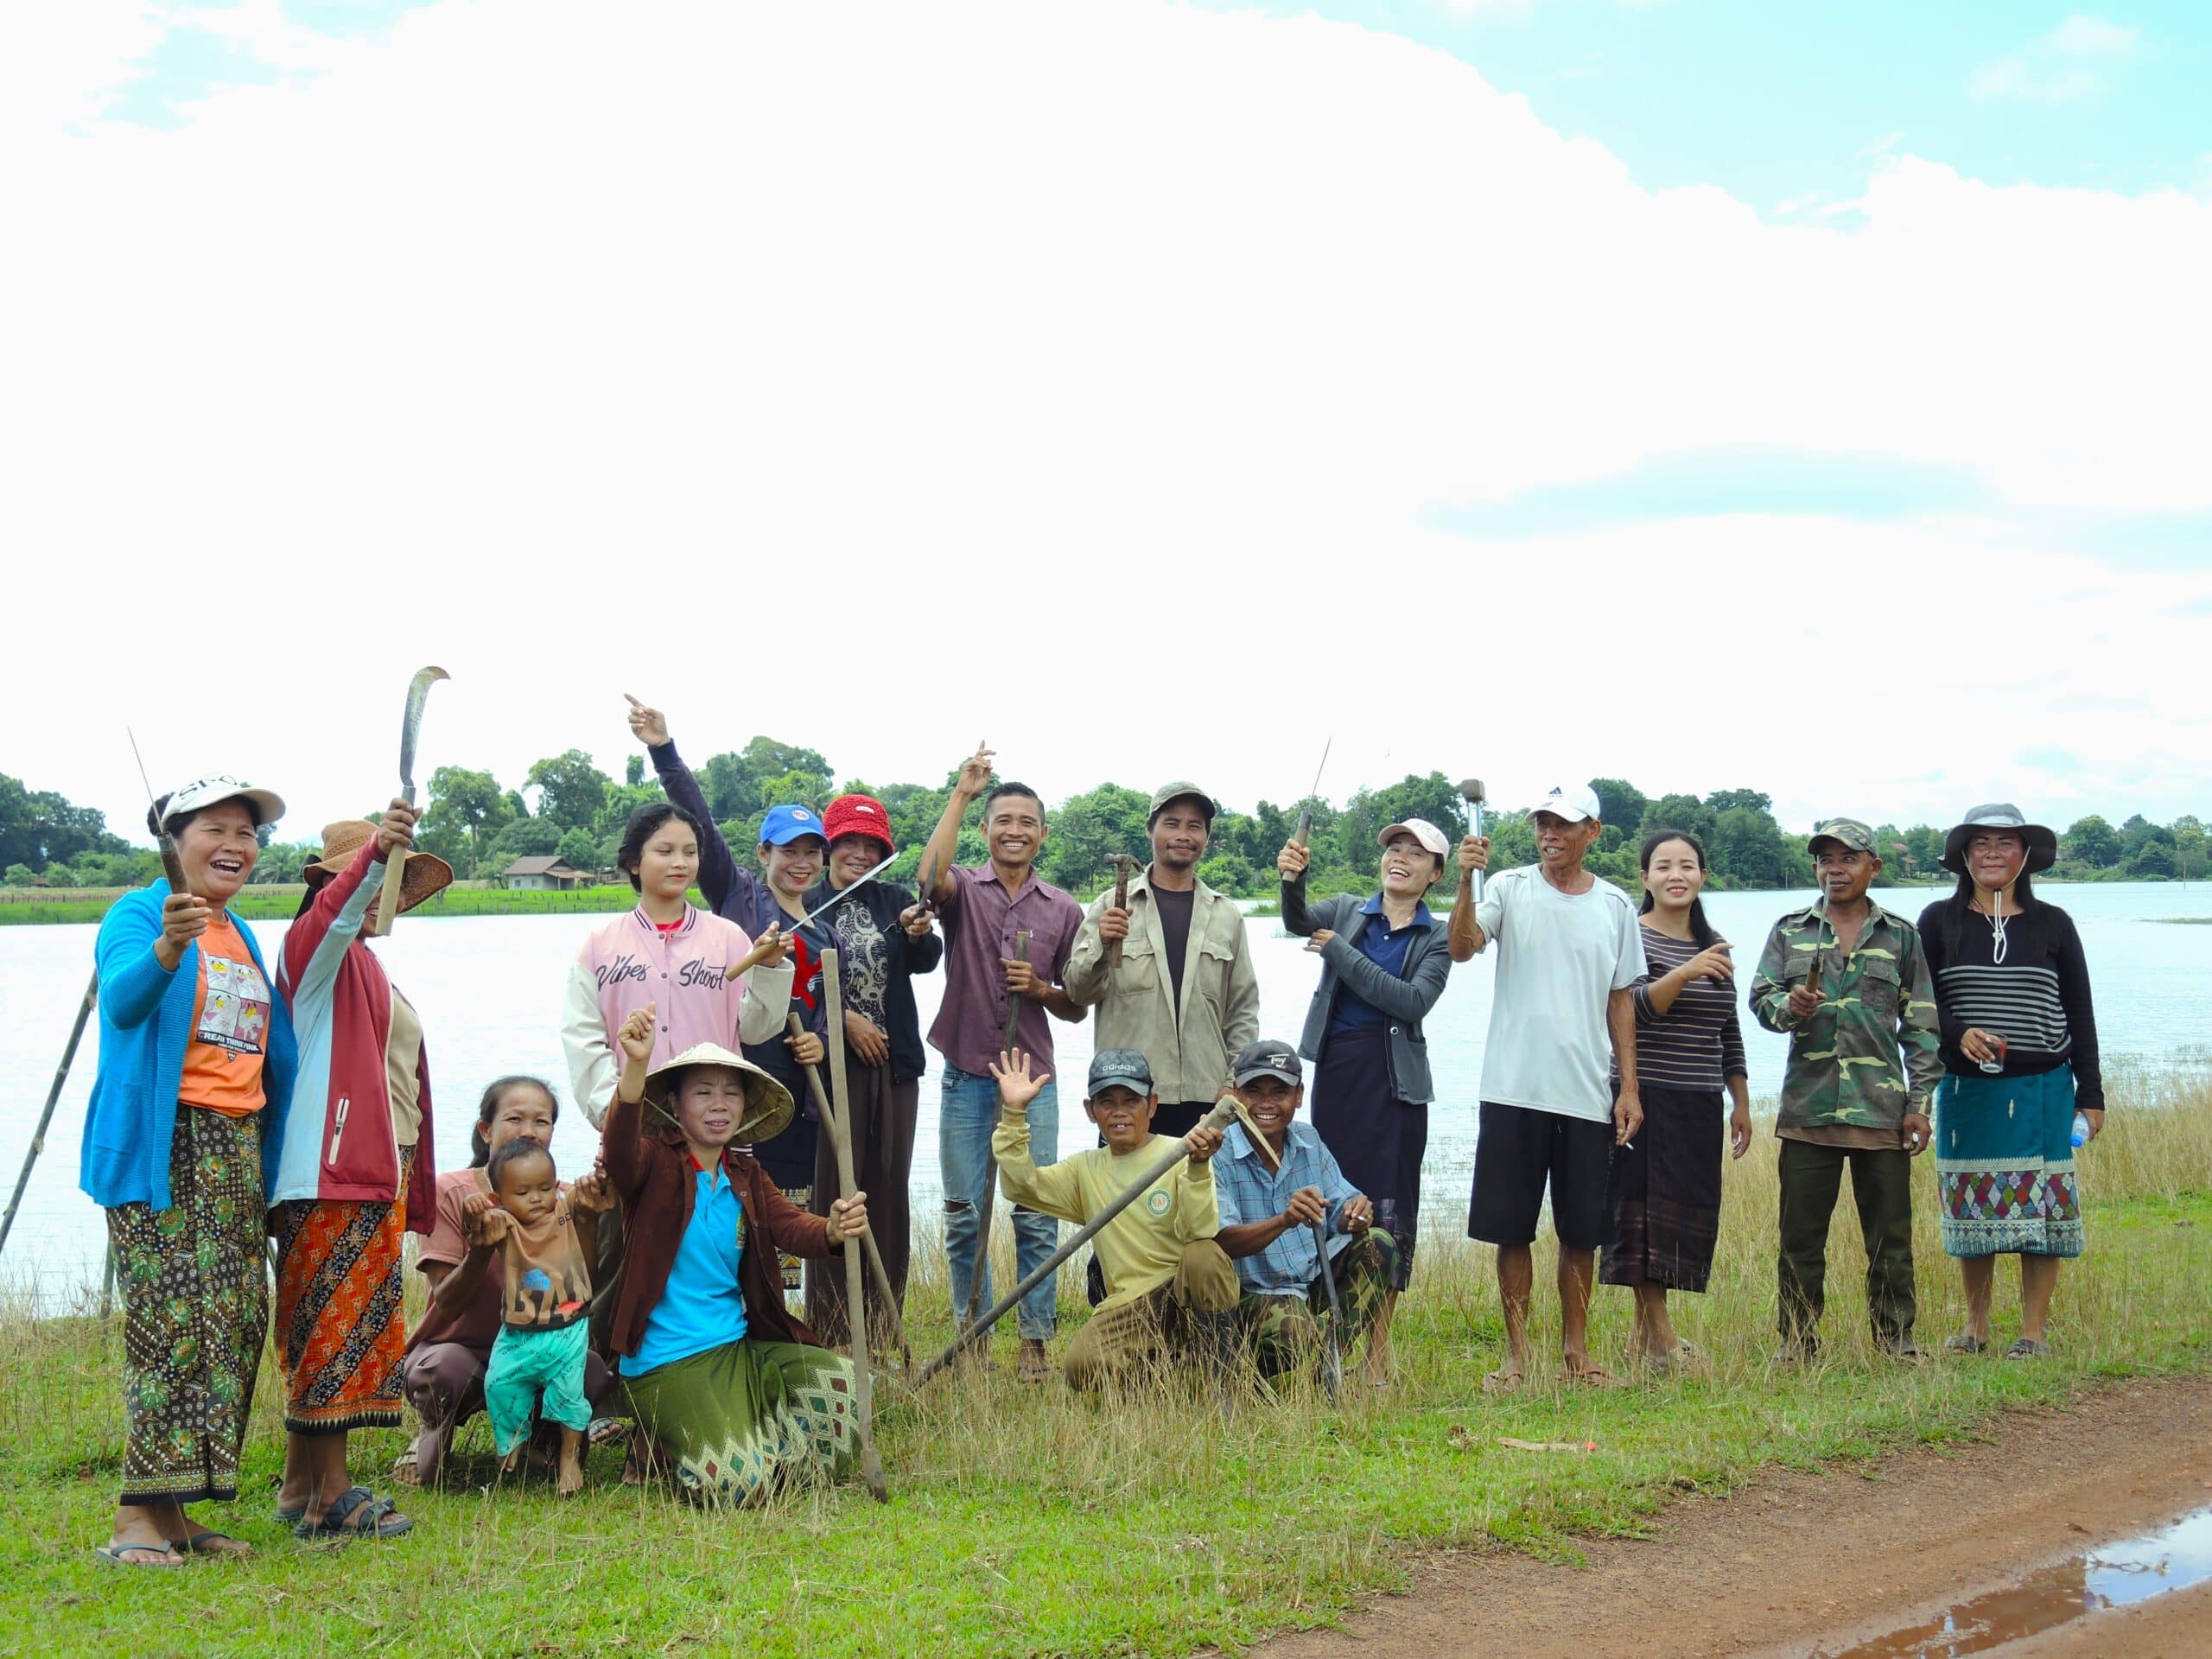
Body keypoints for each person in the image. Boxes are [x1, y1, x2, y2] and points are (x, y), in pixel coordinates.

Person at [80, 775, 296, 1567]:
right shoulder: (140, 914)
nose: (237, 844)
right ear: (174, 840)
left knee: (234, 1322)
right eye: (217, 828)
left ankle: (179, 1514)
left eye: (248, 832)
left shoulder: (238, 930)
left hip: (235, 1149)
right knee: (170, 1327)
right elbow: (125, 1004)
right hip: (163, 1146)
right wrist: (170, 946)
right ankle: (135, 1518)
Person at [601, 1007, 870, 1505]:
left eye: (731, 1093)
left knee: (847, 1388)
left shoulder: (745, 1175)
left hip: (739, 1348)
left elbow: (795, 1228)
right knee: (739, 1486)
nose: (718, 1104)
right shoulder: (653, 1166)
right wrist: (634, 1067)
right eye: (702, 1092)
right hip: (668, 1361)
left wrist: (833, 1228)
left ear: (746, 1107)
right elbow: (618, 1153)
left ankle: (752, 1449)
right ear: (676, 1106)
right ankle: (681, 1447)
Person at [267, 807, 445, 1541]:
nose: (381, 899)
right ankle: (329, 1502)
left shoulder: (371, 967)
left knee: (335, 1328)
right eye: (371, 883)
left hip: (373, 1170)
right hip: (326, 1169)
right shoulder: (315, 953)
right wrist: (377, 850)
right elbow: (338, 913)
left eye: (392, 886)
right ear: (332, 888)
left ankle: (300, 1484)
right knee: (331, 1331)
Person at [625, 696, 830, 1289]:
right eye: (788, 850)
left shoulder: (826, 927)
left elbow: (823, 1008)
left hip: (796, 1099)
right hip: (733, 1086)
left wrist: (819, 1040)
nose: (800, 862)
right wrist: (663, 749)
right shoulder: (738, 897)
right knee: (724, 1221)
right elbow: (698, 819)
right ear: (763, 853)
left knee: (784, 1222)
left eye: (811, 852)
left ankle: (779, 1320)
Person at [1447, 783, 1645, 1391]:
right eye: (1541, 822)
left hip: (1586, 1091)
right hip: (1512, 1089)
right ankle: (1516, 1355)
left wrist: (1628, 1088)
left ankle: (1576, 1351)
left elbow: (1621, 1000)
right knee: (1511, 1228)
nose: (1549, 834)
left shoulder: (1614, 905)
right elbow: (1461, 949)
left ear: (1593, 831)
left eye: (1562, 823)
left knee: (1581, 1232)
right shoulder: (1506, 888)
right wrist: (1464, 882)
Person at [917, 745, 1084, 1382]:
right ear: (986, 830)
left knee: (1035, 1211)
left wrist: (1039, 990)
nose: (1014, 831)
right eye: (1002, 820)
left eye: (1027, 822)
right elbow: (927, 878)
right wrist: (961, 793)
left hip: (1032, 1080)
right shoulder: (962, 889)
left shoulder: (1063, 909)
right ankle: (974, 1335)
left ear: (1043, 833)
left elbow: (1075, 1006)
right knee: (965, 1213)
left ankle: (1035, 1339)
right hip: (967, 1075)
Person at [1750, 817, 1942, 1363]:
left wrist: (1919, 1106)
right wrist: (1791, 1008)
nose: (1835, 869)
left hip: (1881, 1113)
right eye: (1825, 860)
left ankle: (1896, 1341)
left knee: (1890, 1242)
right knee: (1800, 1241)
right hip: (1808, 1112)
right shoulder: (1791, 930)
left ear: (1873, 867)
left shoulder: (1902, 936)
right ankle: (1799, 1343)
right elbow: (1761, 1001)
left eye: (1848, 859)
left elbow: (1923, 1027)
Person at [1918, 804, 2104, 1359]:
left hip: (2046, 1085)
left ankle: (2034, 1332)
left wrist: (2091, 1094)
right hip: (1967, 1090)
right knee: (1973, 1205)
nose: (1993, 853)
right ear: (1964, 857)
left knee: (2044, 1211)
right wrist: (1958, 1033)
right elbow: (1920, 1005)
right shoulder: (1937, 921)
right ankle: (1975, 1329)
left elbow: (2080, 1010)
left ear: (2025, 857)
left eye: (2005, 843)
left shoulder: (2054, 924)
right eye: (1981, 844)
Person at [1278, 817, 1455, 1384]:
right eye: (1394, 848)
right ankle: (1328, 1340)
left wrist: (1340, 955)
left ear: (1435, 873)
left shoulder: (1438, 936)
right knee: (1335, 1204)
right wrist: (1292, 881)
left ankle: (1377, 1356)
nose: (1400, 857)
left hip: (1395, 1085)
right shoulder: (1350, 909)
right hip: (1338, 1074)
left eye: (1416, 852)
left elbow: (1409, 1001)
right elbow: (1297, 921)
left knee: (1390, 1213)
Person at [396, 1077, 620, 1489]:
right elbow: (447, 1303)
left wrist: (588, 1218)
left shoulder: (562, 1200)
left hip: (541, 1346)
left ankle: (545, 1441)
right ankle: (431, 1437)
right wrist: (480, 1250)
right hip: (461, 1349)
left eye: (543, 1121)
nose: (530, 1132)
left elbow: (581, 1283)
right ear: (486, 1130)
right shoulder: (455, 1194)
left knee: (589, 1371)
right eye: (515, 1119)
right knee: (445, 1372)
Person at [988, 1047, 1237, 1391]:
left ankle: (1220, 1375)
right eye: (1107, 1102)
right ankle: (1159, 1375)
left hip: (1180, 1292)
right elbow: (1021, 1187)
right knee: (1081, 1368)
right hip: (1128, 1305)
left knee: (1205, 1255)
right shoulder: (1084, 1169)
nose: (1119, 1112)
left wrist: (1197, 1166)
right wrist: (1014, 1113)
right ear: (1092, 1112)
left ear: (1151, 1106)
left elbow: (1201, 1230)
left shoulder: (1180, 1152)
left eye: (1131, 1101)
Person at [1600, 830, 1753, 1375]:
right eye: (1663, 866)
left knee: (1682, 1215)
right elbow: (1633, 1009)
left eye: (1687, 865)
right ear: (1644, 879)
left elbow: (1728, 1029)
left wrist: (1740, 1099)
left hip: (1698, 1100)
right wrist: (1684, 973)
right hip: (1643, 1096)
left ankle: (1643, 1345)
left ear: (1703, 876)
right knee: (1641, 1217)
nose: (1675, 875)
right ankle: (1665, 1343)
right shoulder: (1632, 939)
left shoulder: (1714, 944)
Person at [800, 791, 943, 1345]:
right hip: (831, 1068)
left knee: (888, 1186)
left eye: (871, 844)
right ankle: (833, 1330)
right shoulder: (807, 905)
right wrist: (845, 1022)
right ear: (829, 846)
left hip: (896, 1067)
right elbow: (797, 991)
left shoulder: (893, 899)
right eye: (849, 842)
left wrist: (917, 933)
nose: (859, 853)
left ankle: (884, 1326)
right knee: (836, 1190)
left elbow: (925, 962)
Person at [1064, 782, 1260, 1139]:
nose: (1183, 835)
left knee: (1202, 1194)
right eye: (1171, 823)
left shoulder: (1227, 915)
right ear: (1150, 829)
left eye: (1194, 826)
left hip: (1207, 1099)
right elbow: (1077, 992)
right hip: (1127, 1097)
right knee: (1126, 1195)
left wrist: (1233, 1084)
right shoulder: (1113, 905)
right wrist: (1100, 944)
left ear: (1205, 837)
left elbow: (1243, 1010)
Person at [1212, 1039, 1395, 1382]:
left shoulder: (1308, 1140)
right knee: (1293, 1333)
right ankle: (1242, 1373)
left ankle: (1326, 1364)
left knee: (1380, 1244)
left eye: (1279, 1091)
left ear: (1298, 1096)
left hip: (1308, 1284)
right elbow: (1223, 1241)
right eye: (1254, 1091)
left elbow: (1343, 1204)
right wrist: (1284, 1220)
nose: (1266, 1103)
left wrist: (1356, 1213)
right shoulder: (1218, 1152)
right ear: (1235, 1094)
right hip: (1250, 1297)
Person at [463, 1137, 614, 1496]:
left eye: (546, 1187)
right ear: (500, 1199)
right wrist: (472, 1208)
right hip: (518, 1332)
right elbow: (476, 1221)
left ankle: (569, 1458)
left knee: (568, 1395)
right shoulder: (504, 1225)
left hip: (568, 1325)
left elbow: (596, 1191)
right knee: (499, 1384)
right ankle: (512, 1443)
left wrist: (602, 1176)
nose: (537, 1198)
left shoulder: (565, 1209)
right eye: (523, 1192)